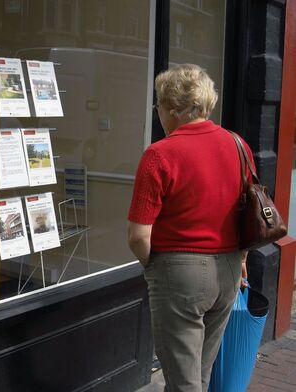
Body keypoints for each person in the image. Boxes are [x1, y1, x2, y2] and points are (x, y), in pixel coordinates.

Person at [127, 64, 252, 391]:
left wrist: (154, 267)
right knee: (199, 375)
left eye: (158, 107)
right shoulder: (238, 146)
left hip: (179, 272)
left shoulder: (159, 155)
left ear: (171, 109)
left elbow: (139, 235)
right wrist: (241, 261)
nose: (158, 114)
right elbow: (248, 213)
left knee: (184, 382)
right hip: (228, 269)